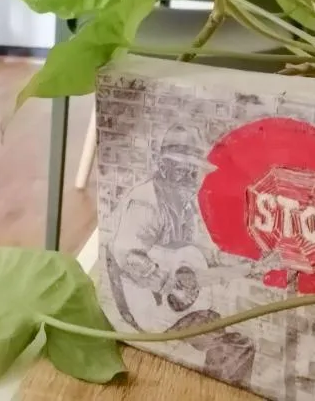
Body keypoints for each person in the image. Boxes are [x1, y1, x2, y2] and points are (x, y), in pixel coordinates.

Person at [107, 123, 267, 385]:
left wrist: (251, 266)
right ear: (163, 166)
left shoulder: (186, 206)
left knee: (231, 337)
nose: (189, 175)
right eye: (181, 167)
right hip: (143, 304)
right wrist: (168, 284)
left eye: (192, 168)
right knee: (233, 349)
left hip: (175, 306)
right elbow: (127, 254)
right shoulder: (146, 202)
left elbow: (201, 257)